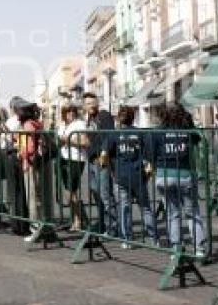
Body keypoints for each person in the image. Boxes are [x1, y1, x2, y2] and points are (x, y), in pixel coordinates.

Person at [152, 103, 206, 257]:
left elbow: (152, 153)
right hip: (184, 174)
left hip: (164, 176)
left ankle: (175, 248)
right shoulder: (187, 130)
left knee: (172, 212)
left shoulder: (158, 131)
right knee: (192, 212)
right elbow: (197, 139)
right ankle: (199, 248)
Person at [108, 106, 156, 247]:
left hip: (121, 174)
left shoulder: (114, 134)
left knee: (124, 207)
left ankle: (127, 240)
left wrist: (112, 171)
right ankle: (153, 238)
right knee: (145, 207)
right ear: (132, 118)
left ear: (119, 118)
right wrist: (147, 173)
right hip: (137, 174)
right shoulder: (140, 133)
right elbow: (148, 154)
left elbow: (106, 155)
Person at [82, 92, 117, 236]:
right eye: (88, 103)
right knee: (96, 192)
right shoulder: (88, 119)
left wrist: (104, 151)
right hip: (91, 161)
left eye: (92, 102)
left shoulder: (104, 115)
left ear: (97, 103)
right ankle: (103, 223)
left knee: (105, 195)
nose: (91, 105)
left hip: (102, 161)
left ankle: (112, 228)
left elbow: (110, 135)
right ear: (84, 106)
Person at [17, 101, 47, 243]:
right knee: (38, 197)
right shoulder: (36, 123)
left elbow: (28, 148)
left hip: (29, 164)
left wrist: (21, 152)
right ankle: (41, 227)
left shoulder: (27, 126)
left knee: (32, 198)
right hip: (37, 164)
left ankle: (35, 230)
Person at [1, 97, 29, 235]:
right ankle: (22, 223)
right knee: (21, 191)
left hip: (13, 154)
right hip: (18, 155)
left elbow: (6, 140)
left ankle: (17, 224)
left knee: (15, 191)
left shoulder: (13, 121)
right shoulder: (23, 120)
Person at [58, 103, 88, 231]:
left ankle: (80, 220)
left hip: (76, 159)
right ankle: (76, 219)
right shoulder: (63, 125)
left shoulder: (79, 124)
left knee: (71, 191)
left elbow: (84, 142)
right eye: (67, 111)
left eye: (72, 111)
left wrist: (68, 139)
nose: (70, 113)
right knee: (69, 192)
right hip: (64, 158)